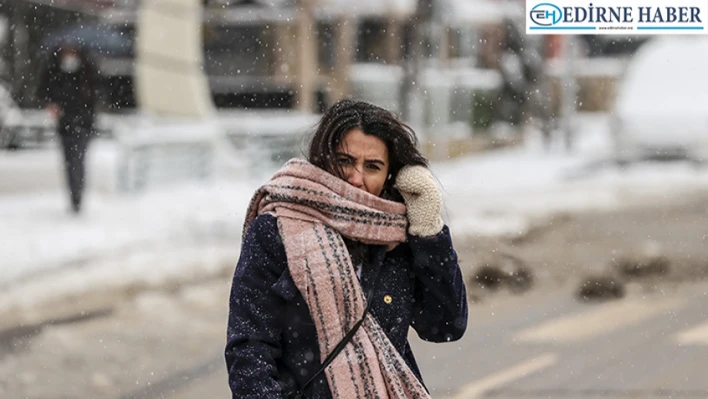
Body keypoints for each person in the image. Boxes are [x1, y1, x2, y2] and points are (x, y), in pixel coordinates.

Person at [226, 99, 468, 398]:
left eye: (373, 166)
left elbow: (445, 325)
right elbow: (249, 349)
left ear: (390, 175)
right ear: (322, 159)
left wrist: (428, 229)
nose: (356, 178)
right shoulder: (276, 230)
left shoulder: (396, 238)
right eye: (344, 161)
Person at [38, 42, 98, 214]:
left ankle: (77, 197)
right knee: (70, 161)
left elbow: (94, 96)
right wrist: (51, 104)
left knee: (77, 161)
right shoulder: (54, 70)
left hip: (83, 124)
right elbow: (44, 92)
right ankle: (74, 195)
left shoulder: (87, 69)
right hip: (65, 124)